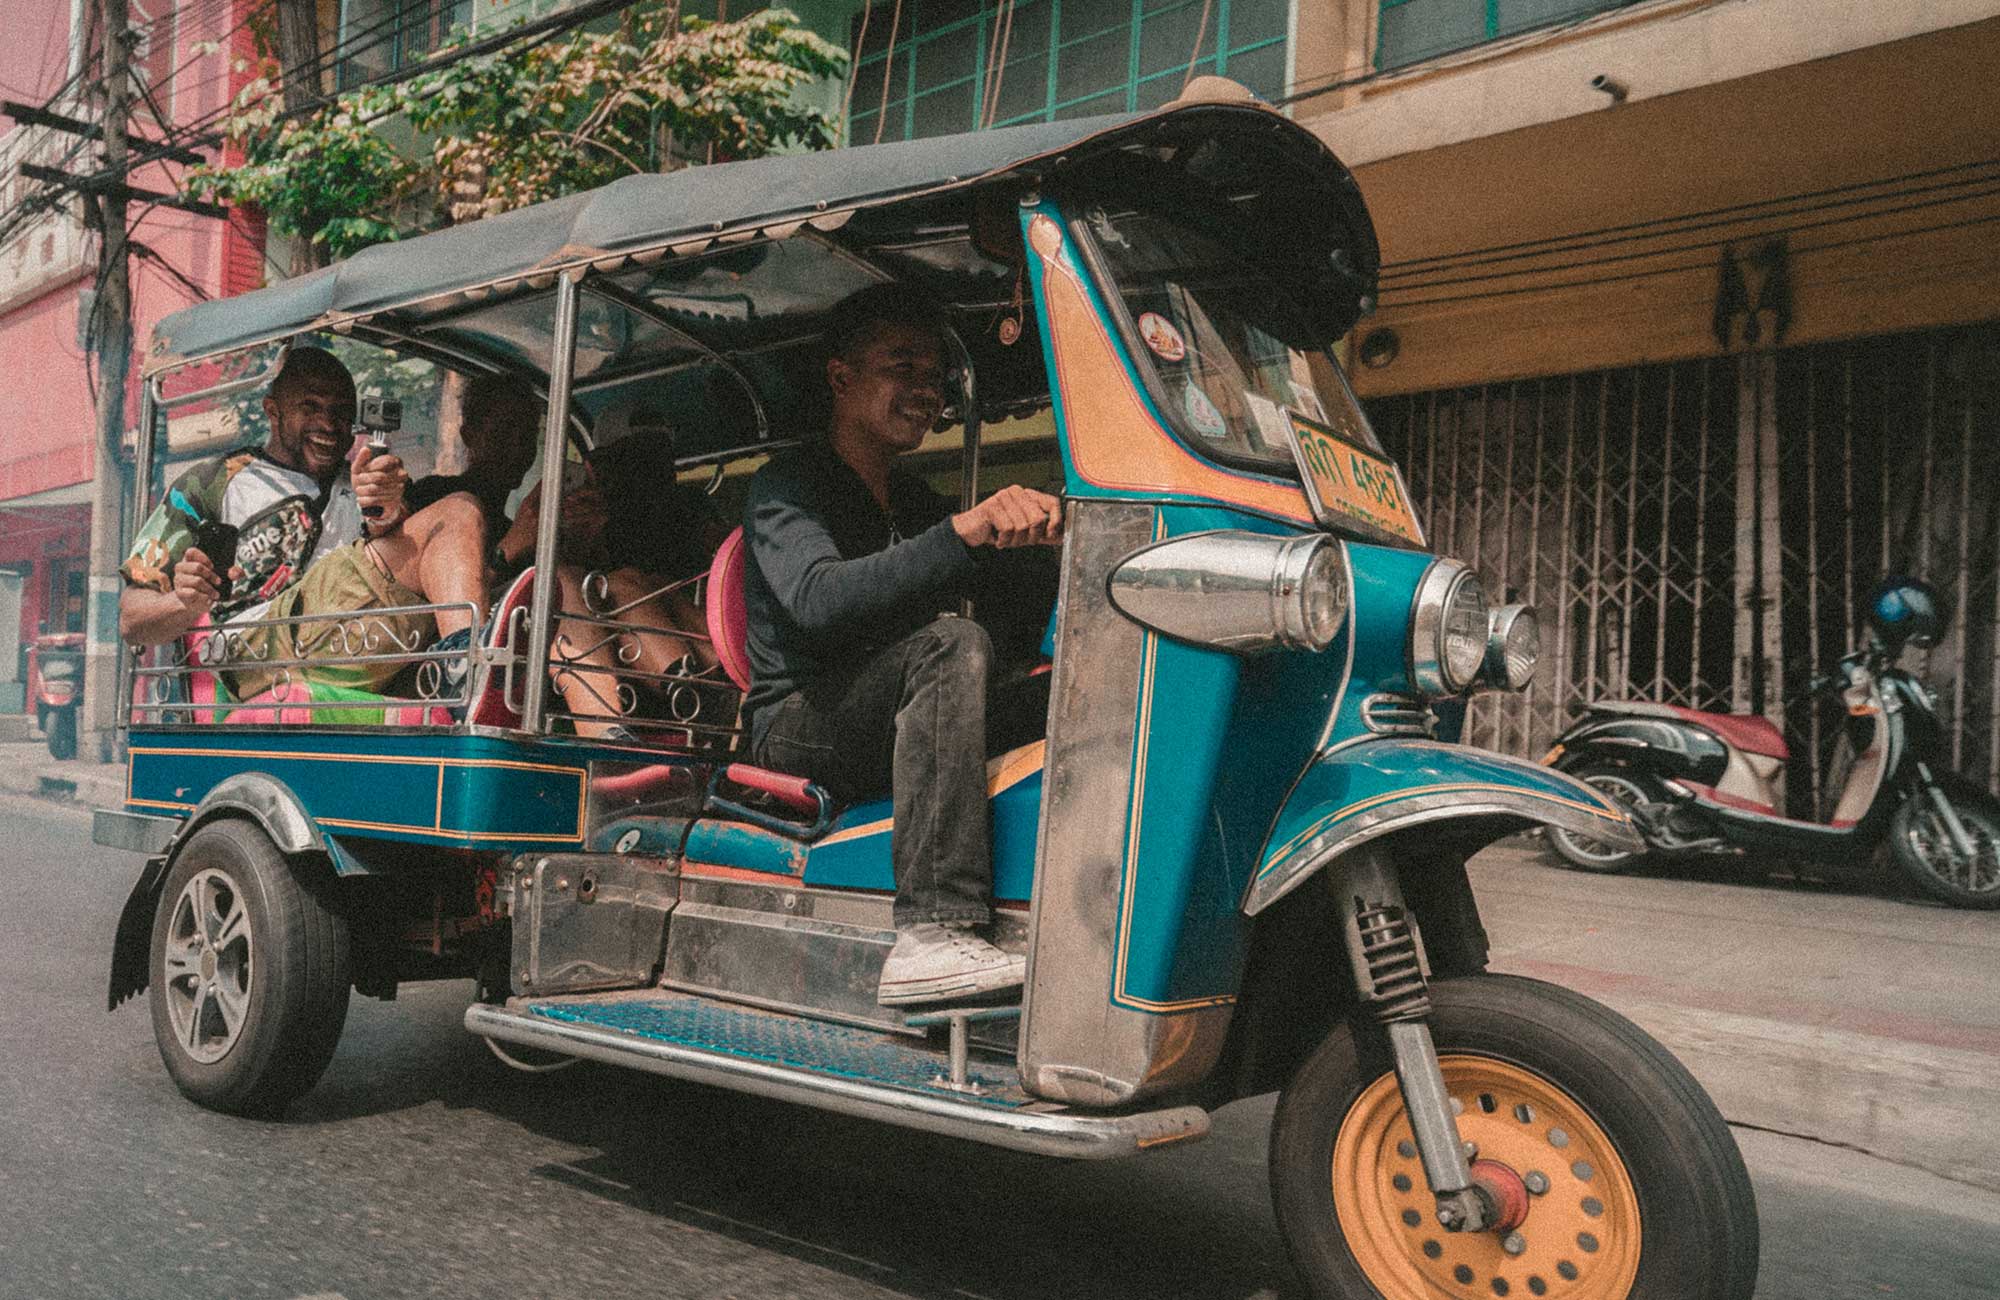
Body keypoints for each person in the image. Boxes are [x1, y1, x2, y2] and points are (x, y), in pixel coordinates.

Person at [742, 283, 1064, 1006]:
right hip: (798, 722)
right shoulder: (786, 486)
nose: (928, 390)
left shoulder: (913, 499)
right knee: (950, 644)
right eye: (903, 368)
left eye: (935, 376)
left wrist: (1052, 542)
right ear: (841, 378)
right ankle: (932, 931)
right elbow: (820, 603)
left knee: (1079, 680)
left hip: (898, 714)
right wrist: (963, 535)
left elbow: (1008, 598)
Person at [120, 347, 495, 700]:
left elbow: (419, 565)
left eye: (342, 412)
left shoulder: (369, 481)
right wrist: (183, 602)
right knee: (459, 512)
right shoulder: (214, 481)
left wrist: (390, 511)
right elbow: (130, 618)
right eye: (311, 407)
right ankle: (473, 678)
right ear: (273, 411)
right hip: (259, 652)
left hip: (357, 638)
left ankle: (468, 669)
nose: (329, 424)